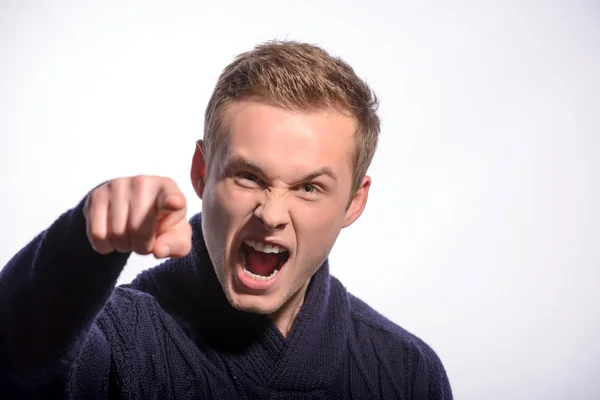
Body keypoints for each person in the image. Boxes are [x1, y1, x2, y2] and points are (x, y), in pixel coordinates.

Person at [0, 40, 452, 399]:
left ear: (354, 202)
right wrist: (79, 245)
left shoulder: (407, 372)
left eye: (309, 187)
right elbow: (17, 367)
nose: (272, 215)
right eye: (249, 177)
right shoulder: (116, 340)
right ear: (202, 172)